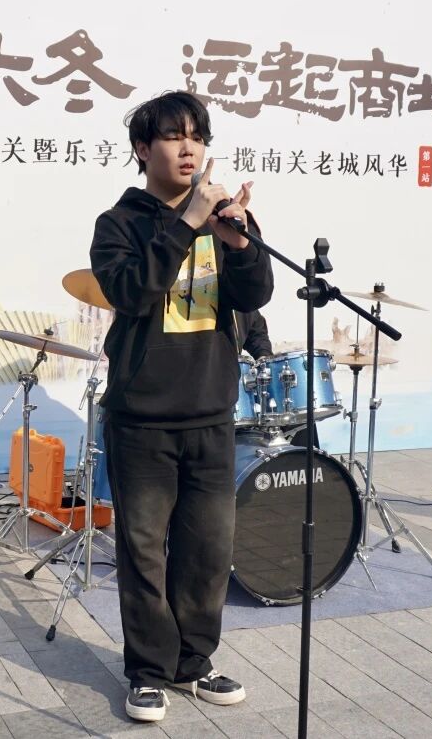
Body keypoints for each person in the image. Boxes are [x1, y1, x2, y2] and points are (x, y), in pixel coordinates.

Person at [90, 91, 273, 722]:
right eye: (173, 136)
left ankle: (194, 662)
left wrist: (242, 243)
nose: (188, 148)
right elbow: (131, 293)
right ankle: (147, 671)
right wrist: (185, 223)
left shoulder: (224, 217)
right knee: (144, 553)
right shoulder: (118, 224)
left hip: (211, 414)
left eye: (197, 136)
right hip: (142, 420)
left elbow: (257, 293)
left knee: (207, 552)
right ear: (143, 150)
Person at [233, 309, 319, 448]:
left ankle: (304, 459)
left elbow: (256, 331)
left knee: (298, 414)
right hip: (207, 391)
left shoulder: (238, 303)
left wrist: (263, 356)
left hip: (236, 384)